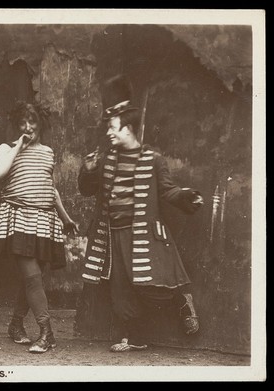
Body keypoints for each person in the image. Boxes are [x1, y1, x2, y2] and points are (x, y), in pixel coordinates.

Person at [78, 75, 203, 352]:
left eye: (113, 128)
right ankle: (136, 338)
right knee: (120, 290)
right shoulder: (107, 158)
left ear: (129, 129)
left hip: (145, 235)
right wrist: (88, 170)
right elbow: (87, 190)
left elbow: (168, 191)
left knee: (151, 286)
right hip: (114, 235)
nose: (109, 133)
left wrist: (187, 197)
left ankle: (182, 301)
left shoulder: (153, 159)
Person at [0, 101, 77, 353]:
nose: (28, 127)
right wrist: (18, 146)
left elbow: (50, 188)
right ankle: (46, 332)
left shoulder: (48, 152)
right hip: (17, 218)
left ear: (41, 123)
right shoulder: (6, 149)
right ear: (17, 125)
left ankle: (16, 325)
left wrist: (66, 218)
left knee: (32, 278)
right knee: (32, 276)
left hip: (44, 221)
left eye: (33, 121)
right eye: (23, 122)